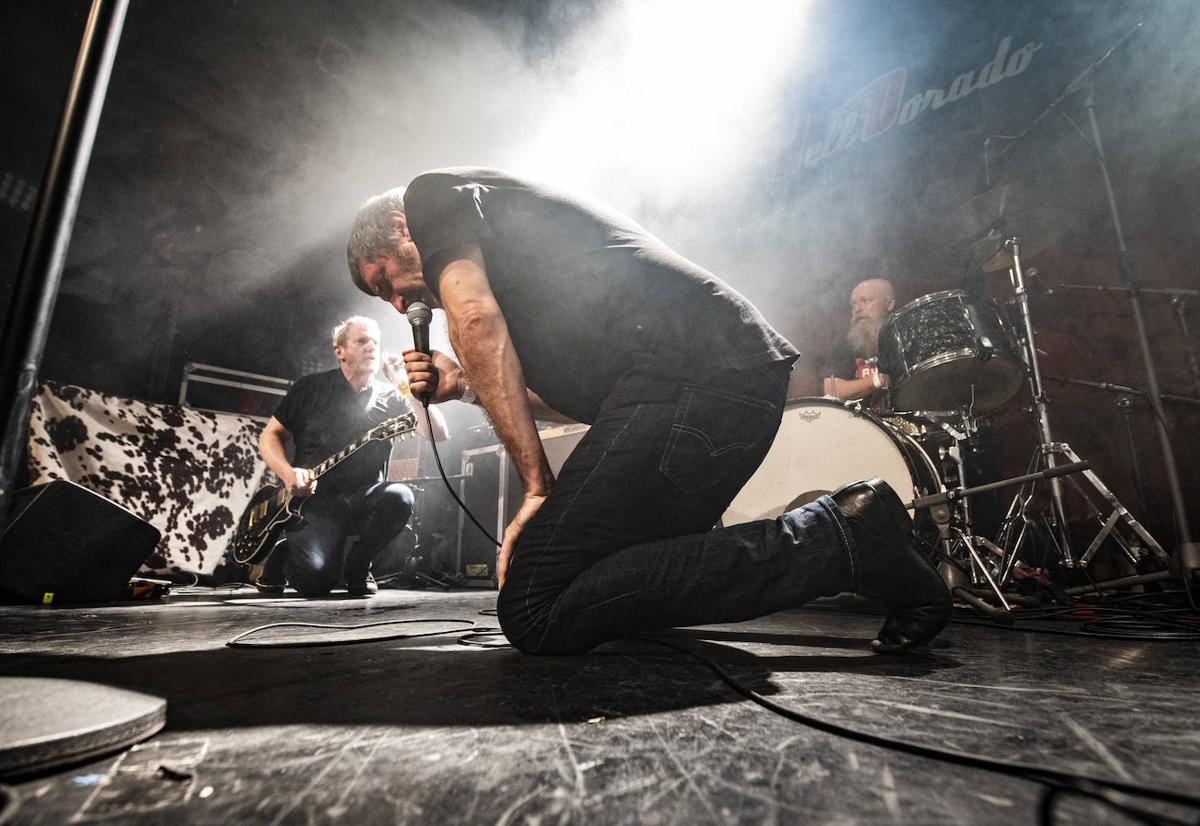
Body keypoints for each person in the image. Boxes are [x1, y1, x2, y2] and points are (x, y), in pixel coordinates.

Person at [346, 167, 949, 652]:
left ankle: (839, 538)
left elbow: (474, 320)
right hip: (713, 389)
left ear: (402, 227)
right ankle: (847, 539)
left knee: (533, 605)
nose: (399, 304)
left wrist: (536, 487)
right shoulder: (526, 292)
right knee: (590, 583)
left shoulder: (431, 195)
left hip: (695, 379)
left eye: (385, 280)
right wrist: (467, 388)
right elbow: (568, 404)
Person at [256, 316, 448, 597]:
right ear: (339, 351)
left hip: (365, 500)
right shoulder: (310, 388)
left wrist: (406, 386)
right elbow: (269, 435)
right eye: (361, 341)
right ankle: (286, 551)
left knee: (401, 496)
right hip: (315, 504)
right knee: (315, 582)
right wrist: (288, 473)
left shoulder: (392, 395)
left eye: (375, 342)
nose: (371, 347)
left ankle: (359, 564)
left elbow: (439, 432)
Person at [823, 277, 895, 402]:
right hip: (857, 420)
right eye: (854, 304)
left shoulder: (905, 339)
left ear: (889, 303)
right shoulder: (845, 344)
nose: (857, 309)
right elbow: (831, 390)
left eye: (866, 301)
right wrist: (879, 379)